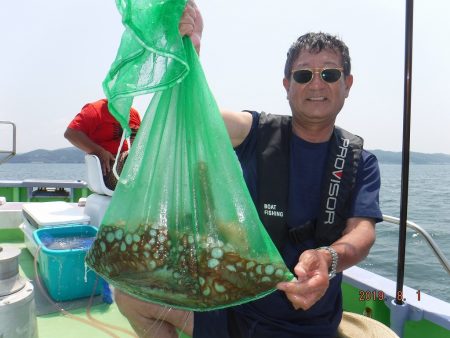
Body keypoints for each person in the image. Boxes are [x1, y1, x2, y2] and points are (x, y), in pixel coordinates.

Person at [114, 2, 382, 337]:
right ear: (287, 85)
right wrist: (192, 52)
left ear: (347, 83)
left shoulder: (359, 160)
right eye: (303, 75)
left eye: (329, 74)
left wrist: (327, 258)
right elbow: (195, 117)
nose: (316, 84)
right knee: (129, 294)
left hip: (311, 325)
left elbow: (362, 233)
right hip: (237, 310)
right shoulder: (256, 131)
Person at [64, 98, 141, 190]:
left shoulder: (133, 113)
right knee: (130, 159)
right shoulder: (95, 110)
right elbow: (71, 133)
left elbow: (140, 143)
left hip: (133, 166)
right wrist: (100, 151)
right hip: (107, 170)